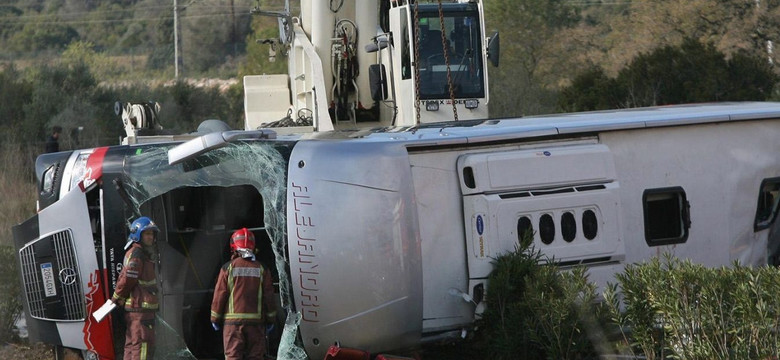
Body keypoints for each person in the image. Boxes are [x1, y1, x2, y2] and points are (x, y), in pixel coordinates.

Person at [211, 228, 277, 360]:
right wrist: (271, 320)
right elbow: (268, 297)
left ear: (234, 246)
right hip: (256, 323)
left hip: (232, 325)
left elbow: (220, 295)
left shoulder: (227, 268)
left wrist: (215, 318)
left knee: (233, 356)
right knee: (255, 356)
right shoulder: (262, 269)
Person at [111, 216, 160, 360]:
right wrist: (117, 297)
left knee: (132, 346)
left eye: (152, 234)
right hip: (140, 310)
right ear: (137, 234)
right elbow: (128, 278)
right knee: (141, 347)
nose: (150, 237)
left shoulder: (137, 253)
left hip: (137, 310)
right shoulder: (137, 254)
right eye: (147, 234)